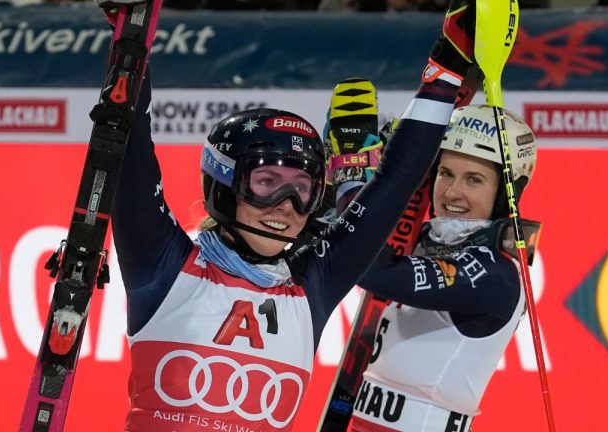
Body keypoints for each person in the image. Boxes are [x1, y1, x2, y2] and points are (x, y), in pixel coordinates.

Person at [104, 0, 481, 430]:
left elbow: (396, 182)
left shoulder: (314, 283)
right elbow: (131, 144)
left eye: (302, 189)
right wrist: (130, 32)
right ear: (224, 186)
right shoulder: (161, 266)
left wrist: (447, 67)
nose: (286, 205)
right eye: (267, 182)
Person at [325, 104, 539, 431]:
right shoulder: (427, 242)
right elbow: (341, 248)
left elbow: (375, 270)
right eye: (445, 173)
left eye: (474, 180)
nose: (453, 192)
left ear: (506, 193)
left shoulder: (496, 274)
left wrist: (352, 185)